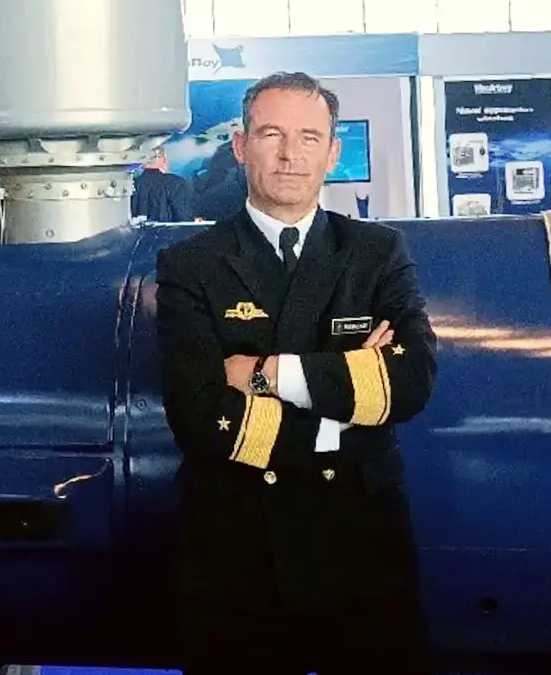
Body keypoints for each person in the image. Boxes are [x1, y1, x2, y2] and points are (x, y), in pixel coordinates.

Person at [154, 71, 438, 674]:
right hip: (236, 555)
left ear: (333, 153)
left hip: (360, 549)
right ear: (241, 146)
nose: (290, 154)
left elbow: (409, 387)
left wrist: (263, 372)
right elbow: (200, 416)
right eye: (272, 134)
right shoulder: (189, 264)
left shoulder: (376, 252)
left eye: (310, 137)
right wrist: (349, 388)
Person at [131, 147, 195, 222]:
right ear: (162, 158)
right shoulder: (176, 182)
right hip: (167, 232)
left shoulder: (132, 184)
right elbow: (182, 216)